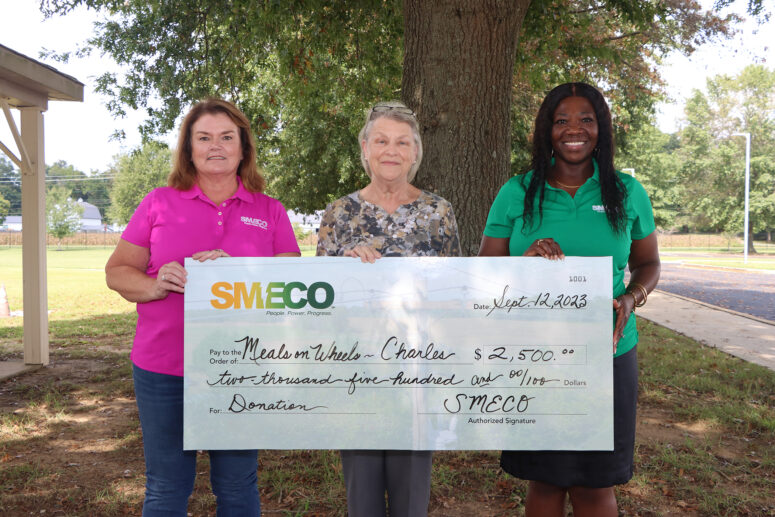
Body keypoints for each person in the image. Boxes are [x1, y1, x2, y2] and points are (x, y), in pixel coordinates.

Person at [105, 98, 300, 516]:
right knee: (166, 487)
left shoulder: (270, 211)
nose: (216, 146)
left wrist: (244, 274)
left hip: (241, 368)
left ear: (243, 148)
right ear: (189, 149)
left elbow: (291, 288)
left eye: (227, 137)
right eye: (204, 138)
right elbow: (117, 271)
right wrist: (156, 284)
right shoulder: (158, 202)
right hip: (164, 368)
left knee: (237, 485)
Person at [478, 82, 660, 517]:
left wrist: (633, 297)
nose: (573, 130)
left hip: (609, 354)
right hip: (535, 356)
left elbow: (649, 264)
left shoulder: (627, 191)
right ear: (547, 130)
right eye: (562, 121)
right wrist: (525, 260)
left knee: (596, 485)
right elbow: (485, 270)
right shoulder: (517, 191)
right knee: (546, 480)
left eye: (586, 120)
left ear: (601, 129)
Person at [316, 101, 461, 516]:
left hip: (419, 374)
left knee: (411, 500)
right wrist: (344, 268)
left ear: (415, 151)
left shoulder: (439, 212)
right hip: (356, 373)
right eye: (381, 140)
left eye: (401, 142)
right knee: (361, 500)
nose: (391, 150)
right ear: (364, 148)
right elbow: (319, 301)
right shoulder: (340, 213)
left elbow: (454, 297)